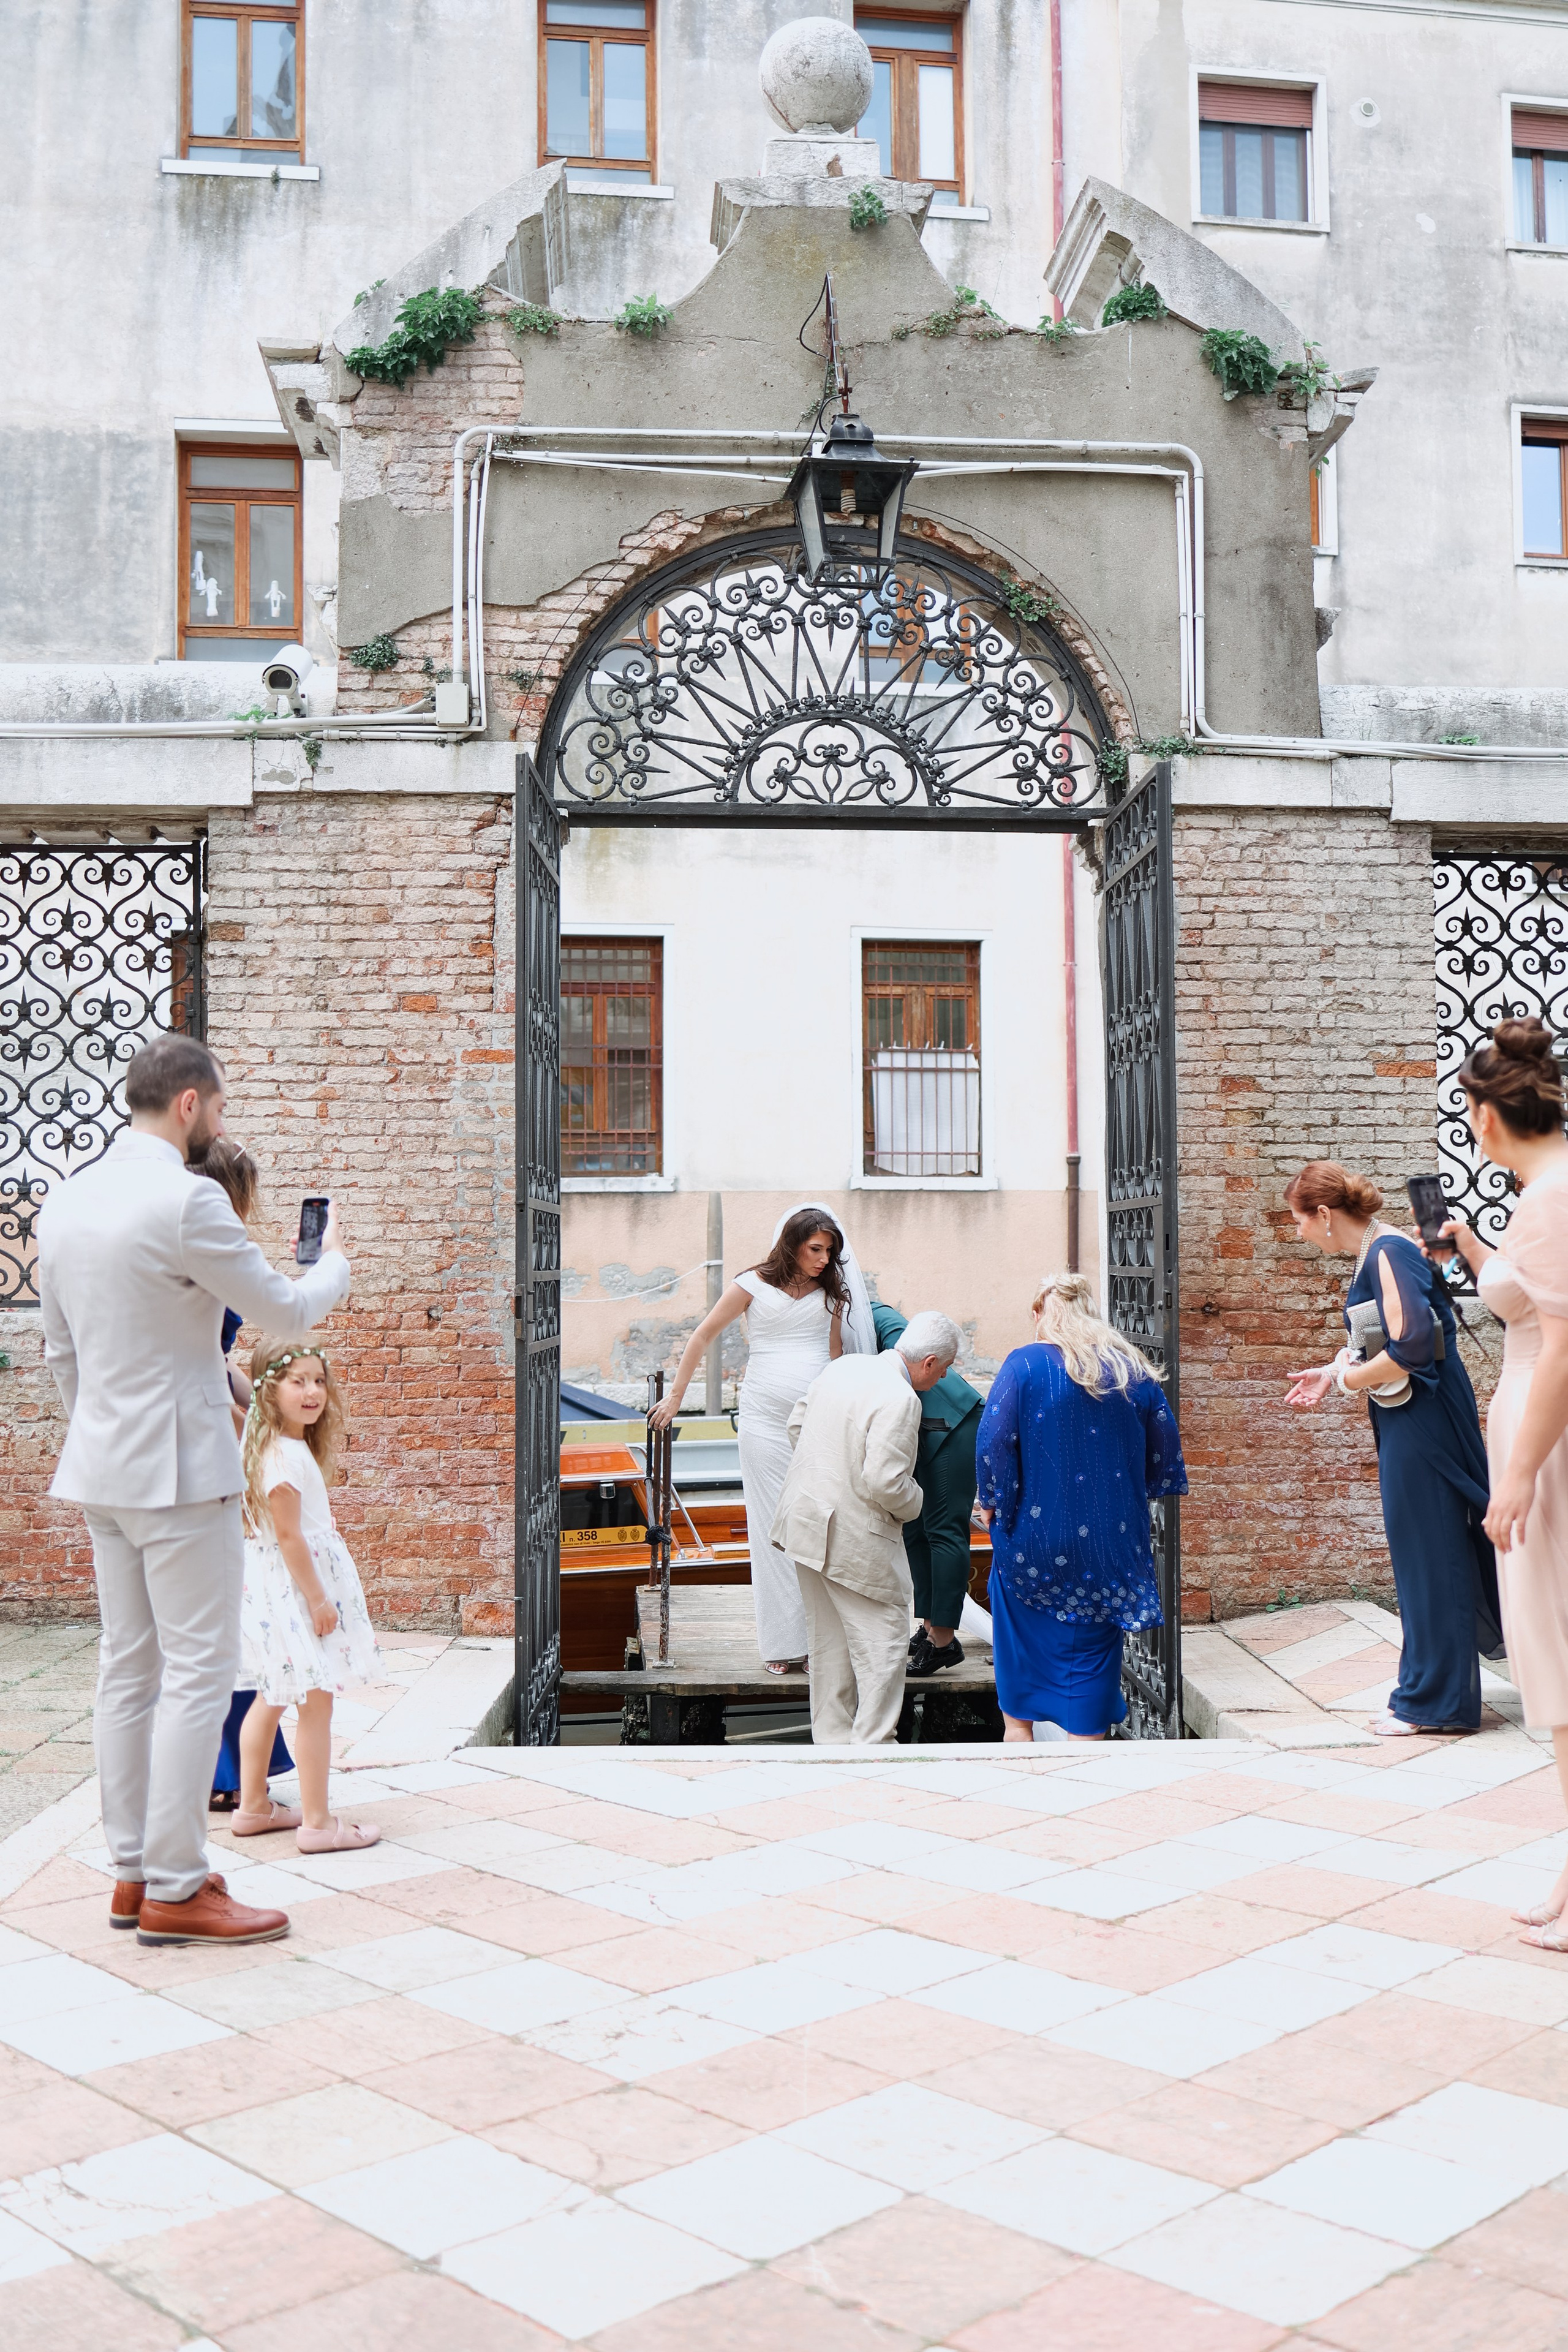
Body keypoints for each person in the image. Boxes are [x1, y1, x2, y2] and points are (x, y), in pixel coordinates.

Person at [37, 1035, 350, 1947]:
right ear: (189, 1105)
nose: (220, 1121)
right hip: (179, 1471)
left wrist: (100, 1431)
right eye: (218, 1106)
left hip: (101, 1465)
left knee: (127, 1668)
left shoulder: (65, 1200)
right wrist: (336, 1261)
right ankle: (178, 1884)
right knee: (198, 1672)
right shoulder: (185, 1202)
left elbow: (61, 1353)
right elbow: (286, 1310)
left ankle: (133, 1873)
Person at [1423, 1019, 1568, 1950]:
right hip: (1536, 1439)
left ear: (1483, 1115)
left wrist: (1514, 1478)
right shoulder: (1545, 1196)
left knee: (1558, 1664)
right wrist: (1476, 1251)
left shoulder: (1552, 1199)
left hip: (1548, 1453)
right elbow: (1535, 1302)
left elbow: (1563, 1343)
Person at [1284, 1161, 1500, 1736]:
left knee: (1432, 1552)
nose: (1299, 1233)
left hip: (1423, 1419)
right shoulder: (1380, 1251)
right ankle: (1425, 1692)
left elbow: (1411, 1346)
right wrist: (1334, 1373)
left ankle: (1438, 1703)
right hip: (1412, 1416)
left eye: (1300, 1221)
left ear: (1325, 1215)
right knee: (1422, 1552)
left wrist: (1350, 1382)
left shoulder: (1388, 1252)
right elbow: (1379, 1337)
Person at [650, 1202, 876, 1671]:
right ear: (792, 1244)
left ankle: (818, 1642)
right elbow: (702, 1336)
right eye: (816, 1249)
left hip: (815, 1421)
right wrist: (675, 1398)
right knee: (771, 1526)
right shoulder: (751, 1284)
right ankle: (782, 1644)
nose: (823, 1259)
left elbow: (835, 1356)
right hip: (763, 1422)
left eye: (829, 1251)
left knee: (815, 1524)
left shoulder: (833, 1291)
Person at [976, 1274, 1186, 1743]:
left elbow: (993, 1441)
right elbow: (1163, 1449)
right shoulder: (1131, 1367)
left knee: (1020, 1684)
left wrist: (992, 1501)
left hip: (1034, 1543)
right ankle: (1084, 1777)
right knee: (1093, 1661)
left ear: (1039, 1315)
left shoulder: (1025, 1364)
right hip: (1111, 1545)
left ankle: (1020, 1754)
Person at [774, 1310, 960, 1744]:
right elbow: (886, 1482)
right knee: (885, 1644)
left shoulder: (845, 1366)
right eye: (946, 1369)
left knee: (829, 1646)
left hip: (804, 1522)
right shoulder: (902, 1398)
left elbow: (796, 1425)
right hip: (854, 1537)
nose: (943, 1377)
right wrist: (919, 1503)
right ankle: (874, 1746)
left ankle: (833, 1744)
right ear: (929, 1362)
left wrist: (830, 1477)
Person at [235, 1337, 382, 1850]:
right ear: (268, 1389)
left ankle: (253, 1807)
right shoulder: (282, 1458)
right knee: (315, 1702)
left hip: (278, 1585)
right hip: (298, 1590)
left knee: (272, 1695)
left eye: (319, 1380)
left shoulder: (276, 1446)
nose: (313, 1391)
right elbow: (291, 1537)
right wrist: (320, 1600)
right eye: (297, 1381)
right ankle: (318, 1824)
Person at [196, 1139, 294, 1816]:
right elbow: (201, 1361)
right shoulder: (203, 1249)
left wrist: (252, 1401)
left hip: (220, 1430)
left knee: (232, 1611)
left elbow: (214, 1355)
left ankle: (232, 1766)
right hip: (203, 1449)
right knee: (224, 1614)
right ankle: (221, 1771)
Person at [871, 1302, 984, 1676]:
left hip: (955, 1422)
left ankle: (944, 1641)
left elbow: (917, 1337)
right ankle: (929, 1626)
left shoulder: (870, 1314)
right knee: (915, 1530)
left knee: (944, 1531)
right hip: (920, 1427)